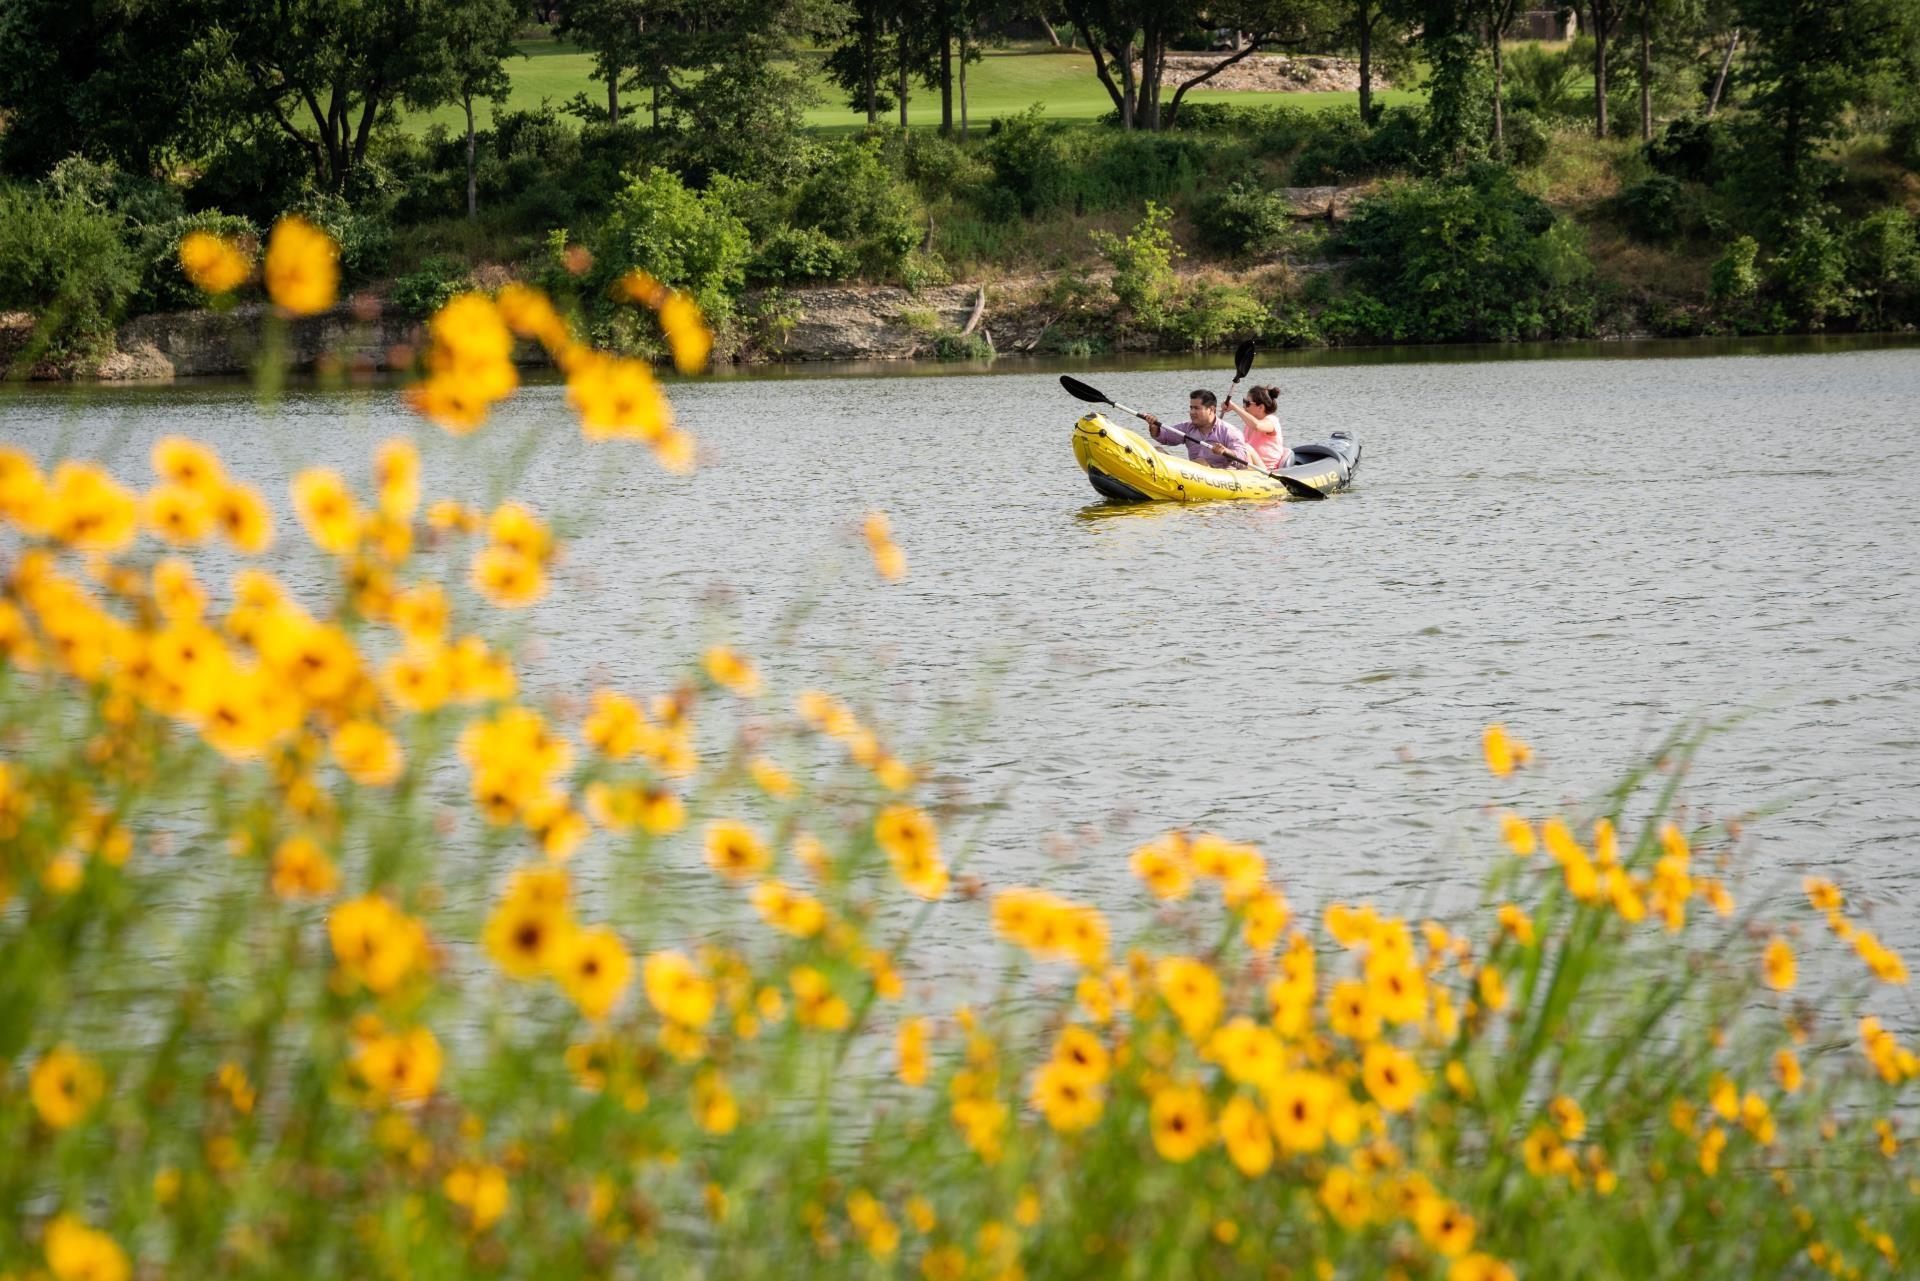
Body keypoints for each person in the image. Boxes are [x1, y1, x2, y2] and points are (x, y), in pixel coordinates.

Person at [1141, 390, 1253, 470]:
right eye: (1191, 408)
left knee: (1201, 462)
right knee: (1157, 450)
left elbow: (1243, 460)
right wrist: (1154, 426)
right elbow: (1164, 437)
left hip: (1221, 478)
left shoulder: (1229, 431)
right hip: (1192, 474)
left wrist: (1225, 452)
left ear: (1211, 409)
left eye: (1197, 408)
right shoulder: (1187, 427)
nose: (1192, 412)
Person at [1224, 385, 1287, 471]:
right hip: (1250, 465)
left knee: (1246, 447)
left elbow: (1257, 426)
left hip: (1266, 471)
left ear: (1260, 407)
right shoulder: (1249, 424)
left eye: (1247, 403)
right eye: (1244, 401)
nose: (1244, 406)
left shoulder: (1272, 421)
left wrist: (1234, 407)